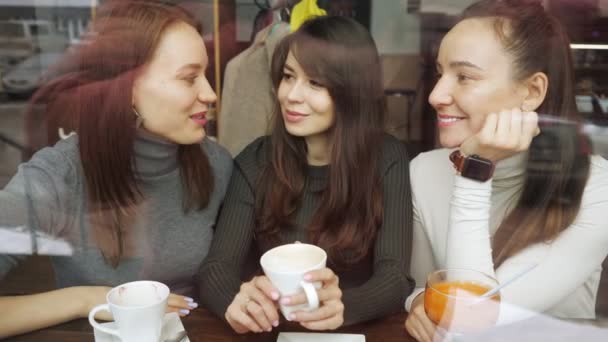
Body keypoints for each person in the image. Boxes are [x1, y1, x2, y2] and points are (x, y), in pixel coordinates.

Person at [0, 0, 232, 338]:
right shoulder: (56, 177)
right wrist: (85, 300)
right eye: (189, 78)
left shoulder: (217, 165)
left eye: (207, 75)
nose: (210, 94)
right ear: (127, 89)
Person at [404, 0, 608, 341]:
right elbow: (428, 283)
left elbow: (475, 319)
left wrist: (475, 172)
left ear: (532, 92)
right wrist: (417, 301)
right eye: (440, 73)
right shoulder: (424, 172)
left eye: (465, 77)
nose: (436, 95)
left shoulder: (597, 190)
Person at [199, 15, 415, 334]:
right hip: (272, 331)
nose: (292, 95)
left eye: (315, 83)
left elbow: (394, 277)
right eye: (288, 76)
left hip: (353, 333)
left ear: (352, 92)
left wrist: (345, 306)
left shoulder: (386, 157)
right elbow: (217, 268)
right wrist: (237, 303)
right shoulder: (256, 160)